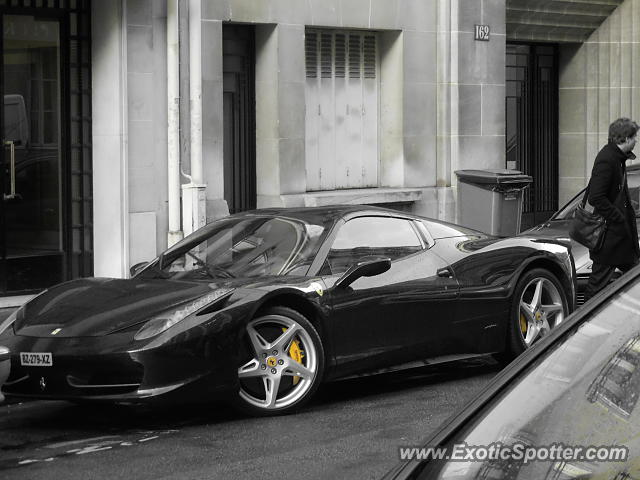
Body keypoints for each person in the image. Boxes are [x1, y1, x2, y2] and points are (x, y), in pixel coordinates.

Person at [584, 117, 640, 301]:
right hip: (608, 240)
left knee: (634, 279)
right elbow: (596, 197)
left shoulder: (617, 159)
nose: (636, 140)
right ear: (624, 139)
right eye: (634, 137)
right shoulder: (607, 160)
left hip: (620, 240)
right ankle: (582, 325)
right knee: (597, 288)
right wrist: (619, 217)